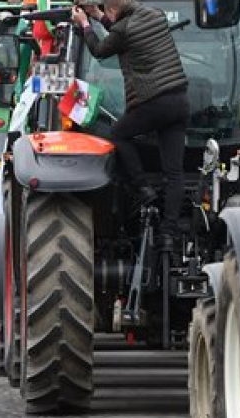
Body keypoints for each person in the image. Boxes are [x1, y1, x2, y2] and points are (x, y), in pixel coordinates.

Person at [72, 0, 189, 247]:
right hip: (179, 101)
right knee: (174, 173)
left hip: (153, 102)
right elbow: (121, 31)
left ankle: (142, 188)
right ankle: (169, 233)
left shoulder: (122, 30)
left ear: (113, 11)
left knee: (118, 134)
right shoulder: (155, 13)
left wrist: (85, 24)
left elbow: (101, 49)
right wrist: (98, 16)